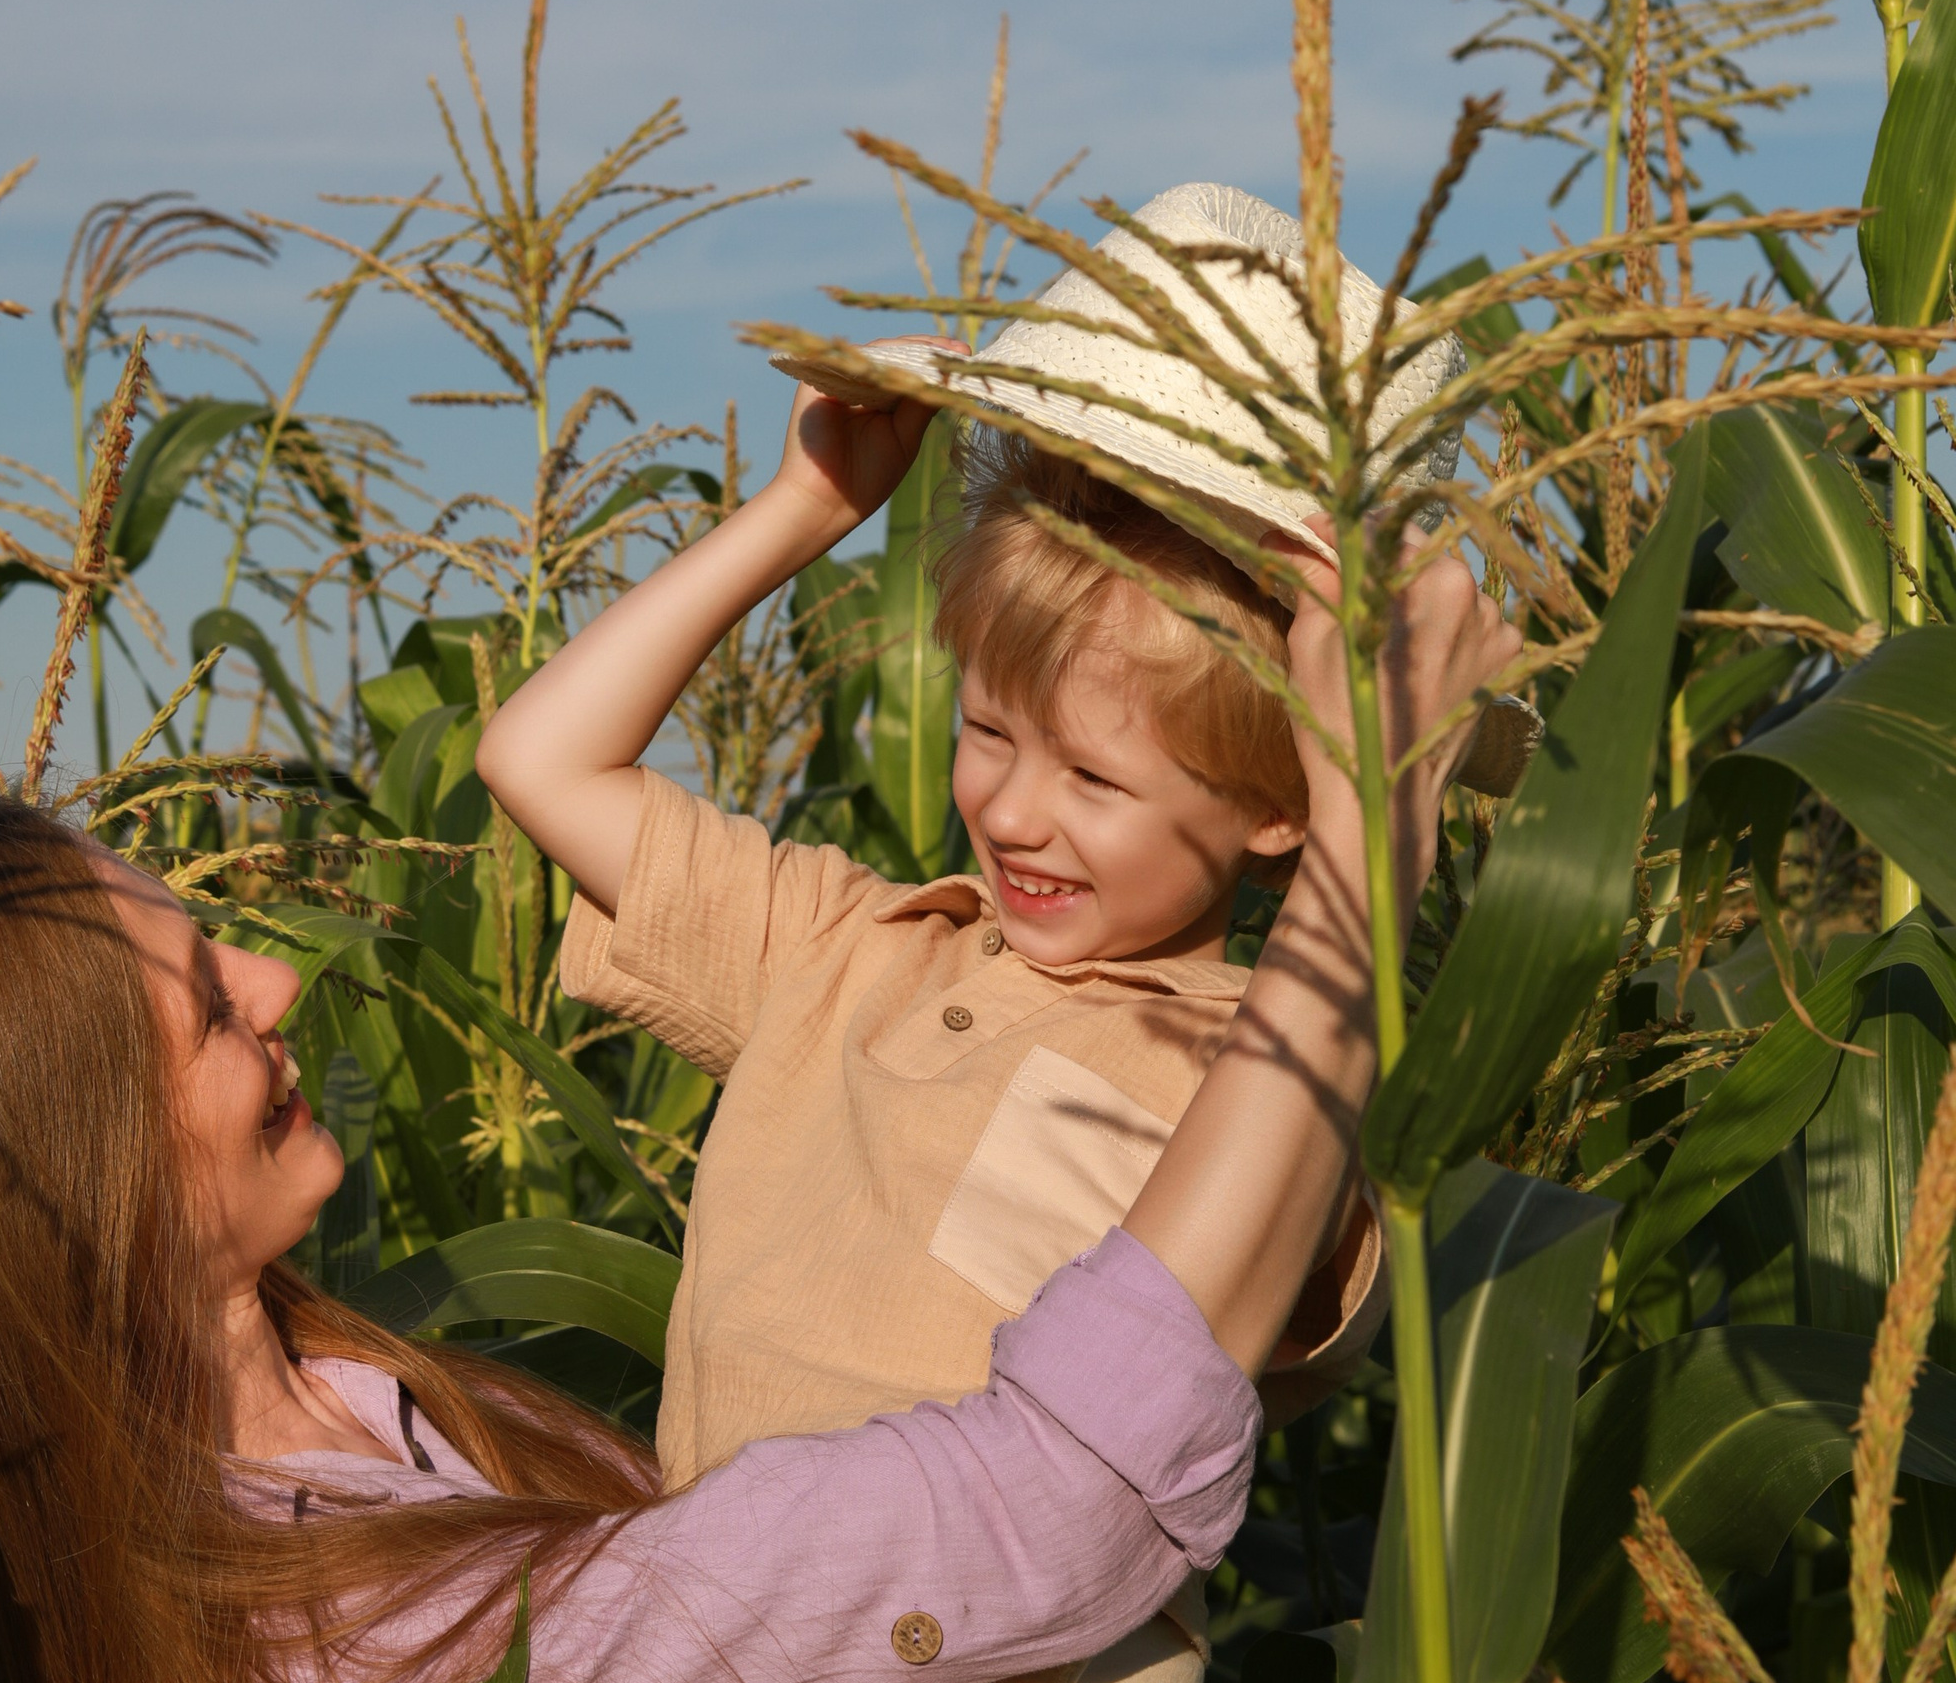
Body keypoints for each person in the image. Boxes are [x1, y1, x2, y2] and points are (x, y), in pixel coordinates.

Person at [0, 464, 1512, 1677]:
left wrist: (808, 500)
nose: (277, 980)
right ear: (60, 1183)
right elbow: (1065, 1490)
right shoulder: (398, 1631)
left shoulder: (360, 1413)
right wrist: (1375, 855)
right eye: (208, 1012)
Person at [477, 182, 1529, 1681]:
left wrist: (1387, 804)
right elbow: (542, 761)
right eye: (987, 731)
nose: (1017, 813)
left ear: (1289, 807)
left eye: (1097, 776)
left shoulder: (1272, 1069)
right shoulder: (846, 955)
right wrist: (806, 514)